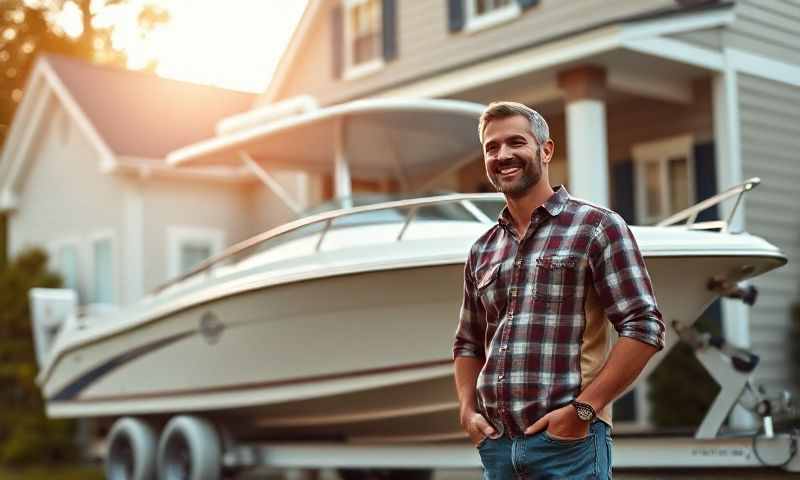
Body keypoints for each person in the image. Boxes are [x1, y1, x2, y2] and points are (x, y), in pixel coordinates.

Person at [453, 101, 666, 479]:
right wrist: (468, 412)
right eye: (491, 147)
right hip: (498, 451)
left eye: (515, 142)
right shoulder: (482, 249)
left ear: (546, 150)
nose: (502, 155)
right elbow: (468, 343)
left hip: (568, 448)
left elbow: (644, 326)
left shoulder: (597, 227)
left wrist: (582, 413)